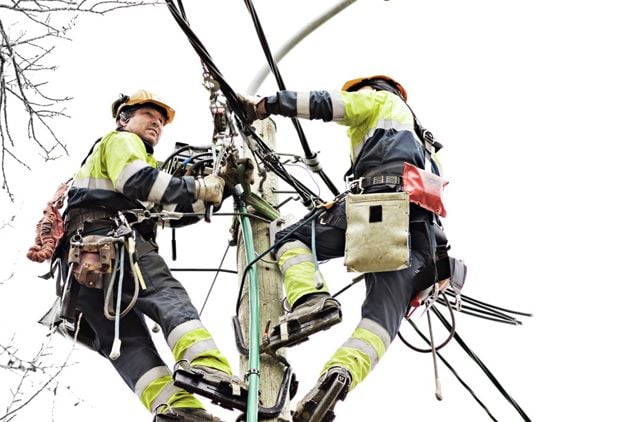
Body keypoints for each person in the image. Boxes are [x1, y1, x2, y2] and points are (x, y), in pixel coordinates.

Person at [240, 75, 454, 421]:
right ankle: (338, 377)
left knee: (290, 239)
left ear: (373, 89)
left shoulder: (382, 102)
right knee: (378, 323)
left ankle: (310, 302)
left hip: (379, 206)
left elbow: (331, 105)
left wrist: (267, 105)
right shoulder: (426, 146)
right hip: (424, 244)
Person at [53, 89, 245, 422]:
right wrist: (204, 186)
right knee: (167, 296)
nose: (156, 124)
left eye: (160, 121)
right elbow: (138, 181)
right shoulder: (121, 142)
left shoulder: (115, 165)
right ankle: (207, 367)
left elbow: (171, 208)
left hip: (81, 272)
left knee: (128, 344)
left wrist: (222, 188)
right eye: (148, 116)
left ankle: (178, 411)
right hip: (111, 244)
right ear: (124, 119)